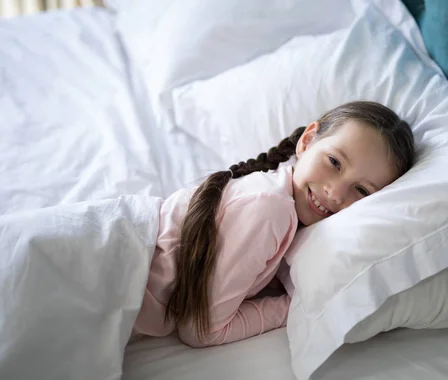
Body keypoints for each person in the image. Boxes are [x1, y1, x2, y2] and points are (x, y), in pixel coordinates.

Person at [132, 101, 415, 347]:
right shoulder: (271, 208)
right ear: (306, 141)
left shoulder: (278, 201)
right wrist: (294, 306)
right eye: (334, 162)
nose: (336, 193)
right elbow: (201, 330)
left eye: (362, 190)